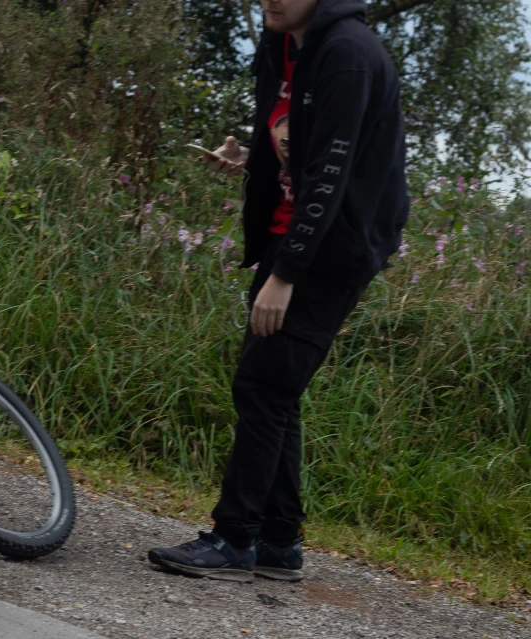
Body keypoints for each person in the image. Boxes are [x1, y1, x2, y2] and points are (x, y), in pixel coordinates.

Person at [149, 0, 409, 582]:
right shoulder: (284, 41)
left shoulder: (348, 54)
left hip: (333, 246)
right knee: (275, 386)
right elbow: (299, 138)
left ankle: (235, 537)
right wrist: (251, 157)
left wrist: (286, 275)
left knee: (263, 385)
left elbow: (334, 171)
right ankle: (278, 539)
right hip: (289, 232)